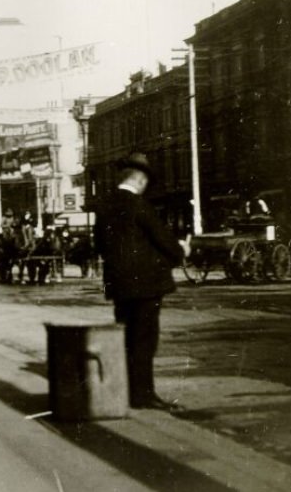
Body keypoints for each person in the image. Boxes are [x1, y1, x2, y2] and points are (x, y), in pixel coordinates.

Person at [94, 152, 189, 411]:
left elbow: (100, 245)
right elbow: (163, 241)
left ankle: (125, 391)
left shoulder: (104, 206)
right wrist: (181, 251)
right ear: (141, 180)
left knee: (125, 339)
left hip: (120, 287)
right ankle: (143, 395)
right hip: (146, 287)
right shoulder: (141, 206)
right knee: (144, 342)